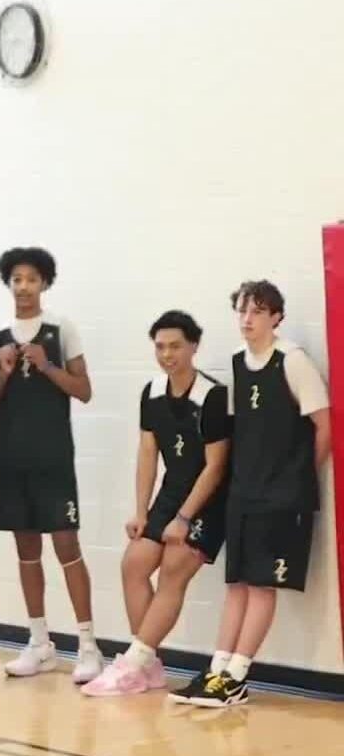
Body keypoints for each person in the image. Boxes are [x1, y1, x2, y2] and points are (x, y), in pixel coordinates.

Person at [171, 280, 331, 708]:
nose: (248, 319)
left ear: (276, 316)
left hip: (281, 497)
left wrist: (295, 479)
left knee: (262, 586)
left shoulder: (293, 362)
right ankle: (218, 668)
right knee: (237, 584)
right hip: (244, 493)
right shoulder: (238, 365)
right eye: (242, 310)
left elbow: (324, 428)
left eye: (258, 311)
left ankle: (238, 676)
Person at [81, 311, 231, 697]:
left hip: (208, 502)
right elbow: (148, 452)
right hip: (170, 493)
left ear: (194, 346)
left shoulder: (213, 396)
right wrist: (141, 511)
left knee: (172, 570)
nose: (168, 354)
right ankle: (150, 666)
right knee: (133, 564)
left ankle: (131, 663)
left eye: (176, 346)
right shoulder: (151, 392)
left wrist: (183, 518)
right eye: (161, 346)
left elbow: (216, 467)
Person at [0, 247, 101, 683]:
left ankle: (88, 646)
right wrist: (4, 371)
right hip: (12, 459)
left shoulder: (60, 329)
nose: (23, 287)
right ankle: (40, 643)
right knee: (26, 552)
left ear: (44, 284)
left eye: (31, 279)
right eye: (16, 279)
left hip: (53, 458)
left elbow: (84, 389)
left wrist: (46, 365)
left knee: (67, 548)